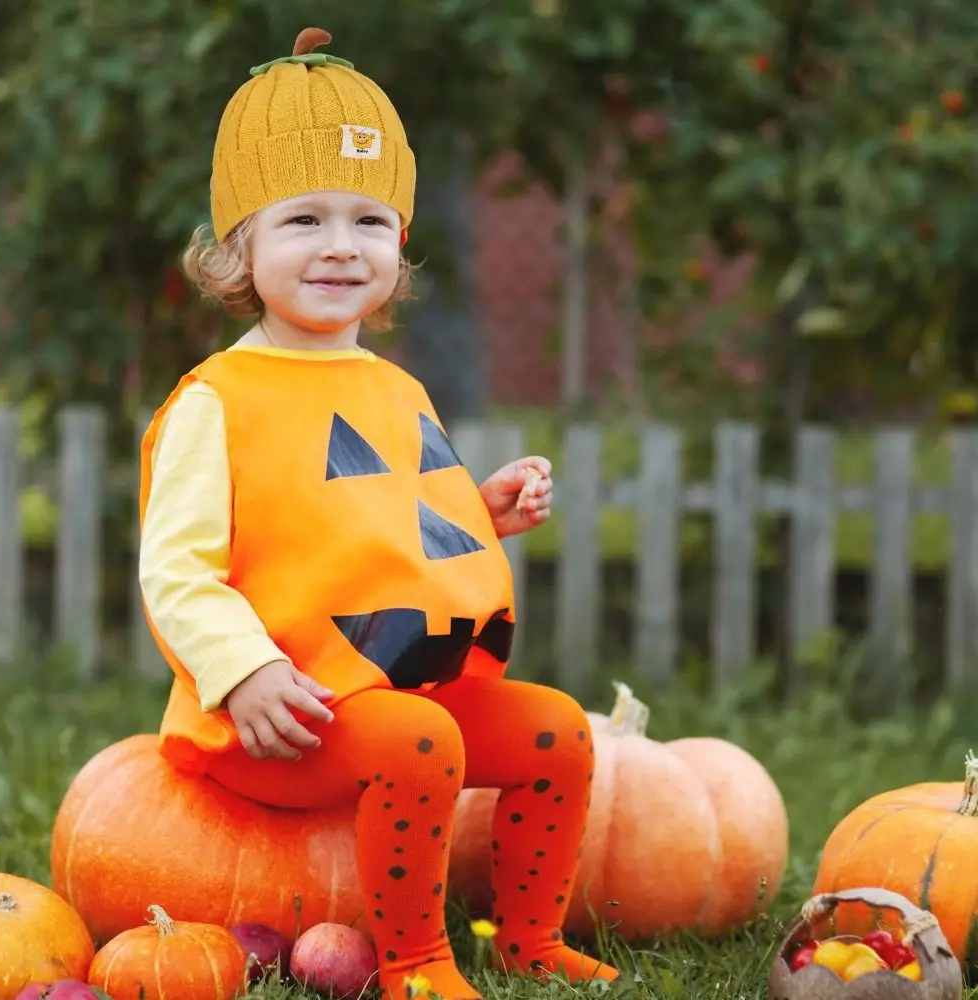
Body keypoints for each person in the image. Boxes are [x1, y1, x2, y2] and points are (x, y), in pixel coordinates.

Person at [137, 26, 619, 1000]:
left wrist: (478, 512)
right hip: (286, 710)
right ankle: (415, 963)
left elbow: (384, 521)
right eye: (302, 220)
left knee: (558, 733)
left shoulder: (394, 387)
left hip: (401, 684)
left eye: (366, 222)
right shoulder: (217, 399)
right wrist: (246, 672)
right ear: (240, 245)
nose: (338, 247)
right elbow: (177, 569)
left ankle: (530, 940)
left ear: (396, 246)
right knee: (420, 743)